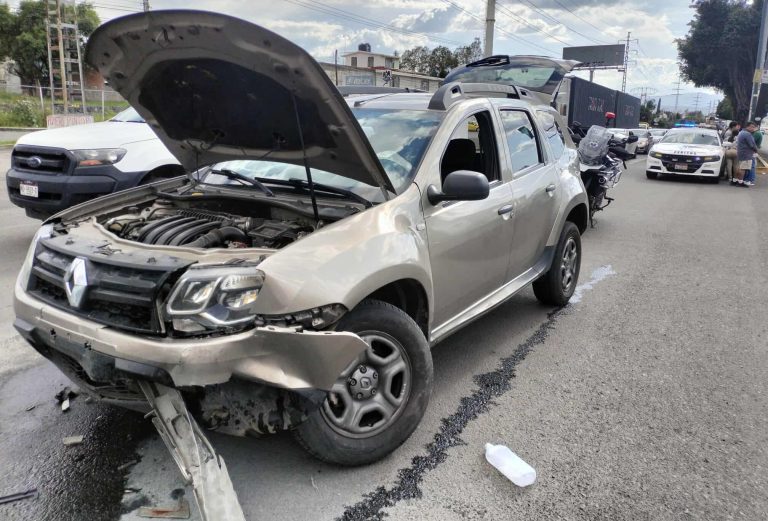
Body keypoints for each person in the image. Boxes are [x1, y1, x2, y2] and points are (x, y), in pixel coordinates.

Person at [735, 121, 759, 186]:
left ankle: (737, 180)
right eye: (752, 127)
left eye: (754, 127)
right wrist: (756, 150)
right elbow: (752, 145)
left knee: (740, 168)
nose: (753, 129)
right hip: (747, 154)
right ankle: (740, 182)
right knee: (743, 169)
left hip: (741, 153)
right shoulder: (747, 134)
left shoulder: (741, 132)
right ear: (747, 126)